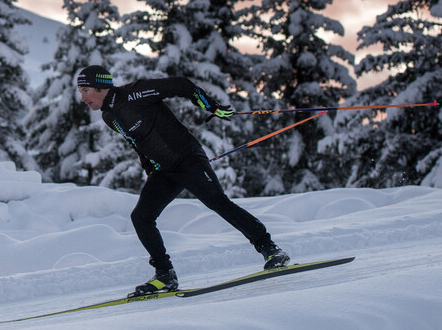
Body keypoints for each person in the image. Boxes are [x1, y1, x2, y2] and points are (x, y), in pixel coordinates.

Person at [76, 64, 289, 296]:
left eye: (85, 90)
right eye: (80, 91)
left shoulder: (135, 93)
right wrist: (149, 168)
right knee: (141, 217)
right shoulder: (109, 117)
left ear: (101, 86)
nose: (82, 97)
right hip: (165, 171)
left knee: (216, 201)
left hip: (188, 159)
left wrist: (212, 107)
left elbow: (182, 85)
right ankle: (165, 274)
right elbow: (137, 143)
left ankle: (269, 248)